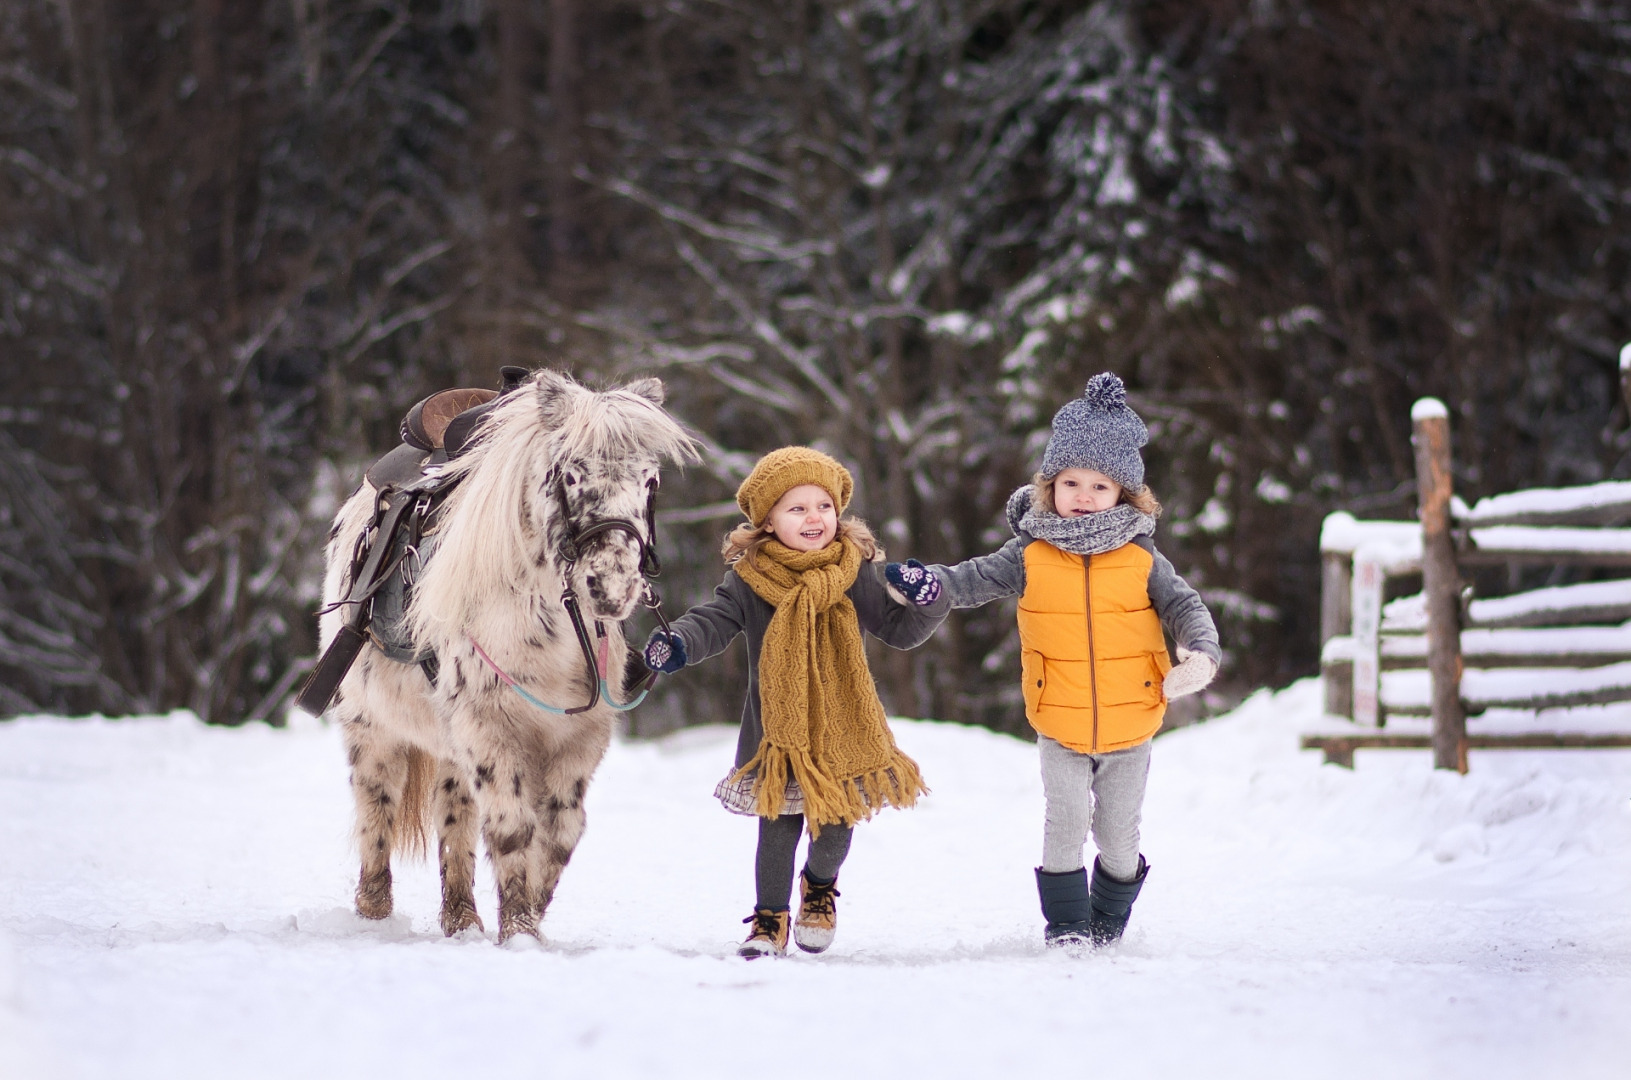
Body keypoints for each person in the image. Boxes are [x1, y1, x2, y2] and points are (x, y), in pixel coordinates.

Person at [894, 373, 1219, 948]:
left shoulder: (1142, 558)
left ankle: (1109, 921)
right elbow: (974, 579)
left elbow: (1186, 606)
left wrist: (1201, 652)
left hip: (1132, 724)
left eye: (1100, 485)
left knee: (1118, 838)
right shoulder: (1030, 553)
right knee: (1065, 823)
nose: (1084, 496)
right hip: (1059, 721)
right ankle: (1067, 927)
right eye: (1071, 482)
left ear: (1125, 492)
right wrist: (930, 585)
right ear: (1050, 486)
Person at [642, 447, 949, 958]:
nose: (814, 518)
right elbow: (712, 622)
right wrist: (677, 644)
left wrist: (927, 600)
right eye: (797, 508)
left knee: (834, 830)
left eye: (823, 507)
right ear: (767, 522)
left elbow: (898, 632)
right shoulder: (748, 579)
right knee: (778, 831)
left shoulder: (855, 572)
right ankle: (768, 920)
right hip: (778, 735)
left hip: (842, 730)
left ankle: (820, 887)